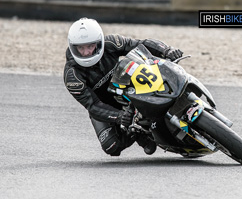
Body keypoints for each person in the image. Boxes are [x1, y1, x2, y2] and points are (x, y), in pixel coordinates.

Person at [63, 18, 183, 156]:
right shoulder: (72, 76)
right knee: (111, 146)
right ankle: (138, 133)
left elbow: (140, 44)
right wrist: (119, 116)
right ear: (73, 47)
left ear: (99, 42)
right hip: (104, 104)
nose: (86, 53)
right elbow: (93, 106)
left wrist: (167, 50)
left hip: (128, 87)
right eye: (81, 48)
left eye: (90, 46)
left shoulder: (111, 42)